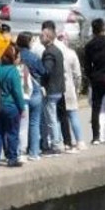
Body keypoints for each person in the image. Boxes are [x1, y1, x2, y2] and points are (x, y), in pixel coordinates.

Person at [0, 46, 25, 167]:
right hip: (10, 105)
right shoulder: (13, 71)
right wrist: (22, 107)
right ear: (12, 58)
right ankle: (12, 158)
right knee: (12, 132)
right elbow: (17, 92)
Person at [16, 32, 44, 160]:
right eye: (32, 41)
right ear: (28, 42)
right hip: (36, 89)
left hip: (22, 91)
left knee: (21, 125)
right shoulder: (33, 57)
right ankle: (34, 152)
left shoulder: (16, 56)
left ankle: (20, 152)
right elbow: (43, 71)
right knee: (34, 123)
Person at [40, 21, 66, 155]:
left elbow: (46, 70)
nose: (40, 37)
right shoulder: (57, 50)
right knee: (54, 117)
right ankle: (58, 141)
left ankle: (55, 144)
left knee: (50, 118)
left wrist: (39, 72)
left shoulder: (49, 52)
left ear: (49, 38)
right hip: (58, 88)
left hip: (51, 89)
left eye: (42, 36)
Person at [59, 35, 86, 151]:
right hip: (70, 87)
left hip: (58, 88)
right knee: (73, 114)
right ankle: (80, 141)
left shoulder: (53, 53)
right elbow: (77, 74)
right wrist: (78, 88)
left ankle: (63, 142)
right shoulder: (71, 53)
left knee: (59, 117)